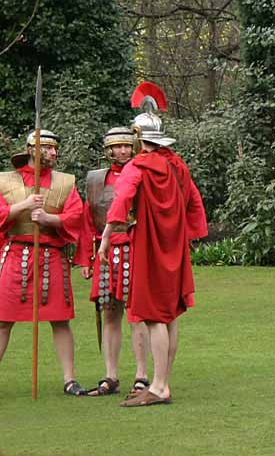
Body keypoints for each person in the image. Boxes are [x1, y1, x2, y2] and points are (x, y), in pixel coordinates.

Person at [98, 105, 207, 407]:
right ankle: (163, 382)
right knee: (169, 315)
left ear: (137, 138)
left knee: (155, 316)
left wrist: (106, 237)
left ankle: (159, 387)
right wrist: (189, 233)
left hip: (150, 245)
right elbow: (194, 202)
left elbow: (121, 201)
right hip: (175, 246)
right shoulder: (177, 165)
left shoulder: (137, 166)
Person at [0, 129, 89, 395]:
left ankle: (69, 379)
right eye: (47, 148)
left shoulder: (64, 182)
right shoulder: (6, 181)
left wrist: (50, 219)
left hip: (52, 257)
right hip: (16, 255)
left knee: (60, 320)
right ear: (31, 150)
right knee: (2, 320)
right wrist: (24, 206)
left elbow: (76, 216)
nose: (53, 153)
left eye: (54, 149)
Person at [81, 126, 151, 397]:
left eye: (126, 146)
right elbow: (88, 221)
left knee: (138, 314)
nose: (122, 151)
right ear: (108, 150)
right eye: (117, 147)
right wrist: (86, 256)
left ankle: (141, 375)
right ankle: (110, 375)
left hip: (135, 248)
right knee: (109, 312)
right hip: (106, 252)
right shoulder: (96, 180)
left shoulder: (142, 173)